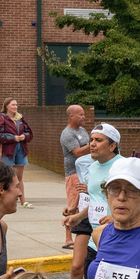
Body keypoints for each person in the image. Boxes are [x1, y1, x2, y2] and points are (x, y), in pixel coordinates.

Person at [62, 124, 121, 279]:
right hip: (95, 238)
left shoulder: (122, 166)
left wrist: (116, 217)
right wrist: (77, 217)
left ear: (112, 146)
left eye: (98, 140)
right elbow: (96, 200)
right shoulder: (93, 168)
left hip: (116, 235)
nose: (92, 145)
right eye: (91, 140)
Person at [0, 98, 33, 207]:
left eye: (16, 105)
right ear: (7, 106)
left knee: (19, 177)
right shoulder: (1, 119)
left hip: (20, 150)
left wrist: (24, 136)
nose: (15, 107)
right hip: (7, 151)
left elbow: (29, 133)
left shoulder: (21, 119)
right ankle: (3, 200)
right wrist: (13, 138)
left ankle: (23, 200)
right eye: (13, 105)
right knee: (6, 176)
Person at [58, 105, 90, 248]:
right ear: (72, 116)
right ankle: (68, 239)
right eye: (81, 115)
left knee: (84, 203)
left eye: (83, 114)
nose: (84, 117)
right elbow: (78, 152)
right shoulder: (67, 134)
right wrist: (94, 144)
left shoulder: (82, 131)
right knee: (73, 205)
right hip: (73, 173)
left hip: (86, 172)